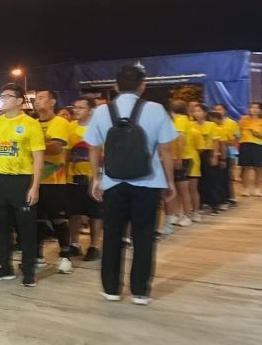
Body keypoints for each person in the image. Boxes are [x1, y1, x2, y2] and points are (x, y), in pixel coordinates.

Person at [86, 65, 177, 305]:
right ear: (142, 86)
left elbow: (93, 148)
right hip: (148, 182)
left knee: (112, 235)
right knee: (144, 236)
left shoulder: (102, 111)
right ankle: (140, 291)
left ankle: (111, 289)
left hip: (113, 182)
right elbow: (166, 149)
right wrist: (170, 181)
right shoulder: (156, 109)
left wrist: (96, 178)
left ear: (115, 86)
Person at [0, 83, 45, 287]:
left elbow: (38, 157)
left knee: (26, 229)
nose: (3, 99)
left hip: (22, 181)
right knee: (1, 227)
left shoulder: (31, 124)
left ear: (19, 101)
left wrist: (35, 186)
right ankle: (5, 267)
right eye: (1, 96)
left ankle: (28, 270)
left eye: (7, 96)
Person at [33, 90, 75, 270]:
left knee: (58, 219)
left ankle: (65, 256)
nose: (37, 101)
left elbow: (56, 148)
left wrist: (32, 145)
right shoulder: (32, 123)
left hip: (55, 181)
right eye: (36, 99)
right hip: (34, 181)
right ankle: (37, 256)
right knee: (36, 219)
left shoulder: (60, 122)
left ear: (52, 102)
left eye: (41, 98)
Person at [67, 96, 103, 262]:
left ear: (90, 110)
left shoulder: (99, 128)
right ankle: (74, 244)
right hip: (74, 176)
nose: (76, 110)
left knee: (96, 212)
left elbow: (104, 155)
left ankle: (94, 246)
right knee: (74, 212)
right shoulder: (70, 127)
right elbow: (66, 153)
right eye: (75, 107)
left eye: (81, 107)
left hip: (93, 177)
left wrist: (99, 177)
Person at [167, 100, 195, 229]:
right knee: (177, 188)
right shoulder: (181, 120)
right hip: (178, 157)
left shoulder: (181, 120)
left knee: (183, 189)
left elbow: (181, 138)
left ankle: (187, 215)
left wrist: (179, 158)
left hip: (183, 158)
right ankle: (178, 213)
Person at [191, 103, 221, 215]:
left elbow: (216, 141)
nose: (196, 113)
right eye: (195, 111)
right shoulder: (190, 125)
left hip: (208, 153)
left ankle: (214, 204)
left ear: (205, 113)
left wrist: (215, 156)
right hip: (195, 154)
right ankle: (200, 203)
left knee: (211, 179)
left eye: (199, 111)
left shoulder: (211, 125)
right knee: (198, 180)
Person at [212, 104, 240, 207]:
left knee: (228, 176)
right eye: (215, 109)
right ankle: (222, 198)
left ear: (225, 111)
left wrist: (227, 143)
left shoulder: (231, 123)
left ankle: (231, 198)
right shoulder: (212, 123)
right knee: (220, 177)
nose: (217, 111)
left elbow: (236, 137)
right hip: (217, 153)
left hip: (229, 153)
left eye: (220, 109)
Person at [239, 102, 262, 196]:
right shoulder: (244, 119)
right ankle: (246, 189)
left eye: (256, 108)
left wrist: (257, 134)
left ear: (260, 110)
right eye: (252, 107)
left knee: (258, 168)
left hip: (258, 145)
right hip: (245, 144)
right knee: (245, 167)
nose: (254, 110)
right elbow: (239, 132)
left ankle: (258, 189)